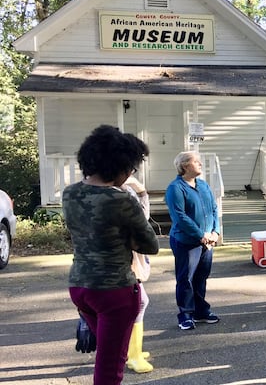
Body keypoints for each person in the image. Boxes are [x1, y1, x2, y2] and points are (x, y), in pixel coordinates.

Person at [64, 125, 158, 385]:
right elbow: (149, 245)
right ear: (120, 166)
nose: (130, 173)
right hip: (114, 291)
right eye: (131, 167)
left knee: (110, 354)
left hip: (80, 287)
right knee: (109, 369)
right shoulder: (120, 200)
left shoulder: (70, 194)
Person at [165, 151, 221, 330]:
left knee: (201, 277)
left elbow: (213, 209)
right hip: (186, 241)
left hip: (207, 241)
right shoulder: (176, 188)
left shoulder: (203, 185)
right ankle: (185, 314)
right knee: (186, 279)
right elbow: (180, 216)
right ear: (185, 166)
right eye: (195, 161)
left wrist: (215, 232)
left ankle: (200, 311)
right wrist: (200, 235)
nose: (200, 164)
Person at [122, 176, 154, 374]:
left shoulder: (125, 188)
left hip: (132, 254)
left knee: (140, 301)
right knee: (138, 301)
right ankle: (132, 355)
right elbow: (141, 218)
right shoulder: (116, 193)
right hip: (124, 257)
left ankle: (133, 351)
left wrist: (142, 192)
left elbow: (143, 216)